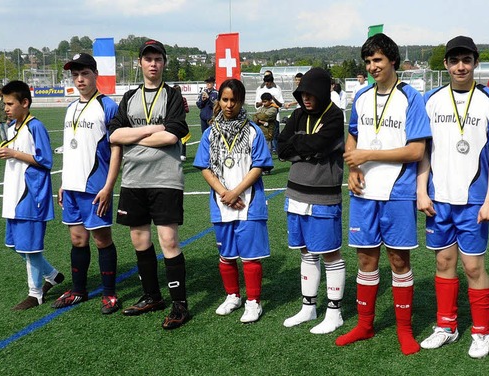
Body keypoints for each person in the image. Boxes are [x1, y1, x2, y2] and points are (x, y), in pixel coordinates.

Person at [335, 33, 431, 356]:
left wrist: (368, 156)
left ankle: (404, 330)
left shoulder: (411, 98)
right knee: (365, 258)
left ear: (393, 61)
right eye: (368, 61)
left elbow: (417, 150)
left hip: (398, 191)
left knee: (399, 260)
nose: (372, 66)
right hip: (364, 192)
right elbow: (352, 139)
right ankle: (365, 324)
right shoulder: (361, 97)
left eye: (378, 60)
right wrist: (353, 166)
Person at [416, 36, 489, 359]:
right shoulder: (431, 100)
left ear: (475, 62)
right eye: (454, 61)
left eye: (466, 60)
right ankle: (446, 326)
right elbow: (423, 152)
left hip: (474, 200)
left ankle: (482, 332)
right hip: (439, 198)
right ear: (446, 65)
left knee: (472, 266)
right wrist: (422, 190)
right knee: (443, 261)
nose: (460, 66)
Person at [108, 39, 191, 330]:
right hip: (133, 180)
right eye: (148, 59)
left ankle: (180, 305)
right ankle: (152, 296)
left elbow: (173, 136)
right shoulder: (129, 96)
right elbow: (114, 135)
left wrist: (134, 135)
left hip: (165, 179)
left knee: (168, 240)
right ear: (140, 63)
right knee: (140, 241)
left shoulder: (173, 94)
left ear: (164, 63)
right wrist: (154, 128)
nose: (153, 64)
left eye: (158, 59)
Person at [193, 78, 273, 323]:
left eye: (234, 100)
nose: (229, 105)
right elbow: (205, 167)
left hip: (249, 203)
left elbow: (259, 165)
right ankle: (232, 296)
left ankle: (253, 302)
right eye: (225, 100)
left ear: (241, 101)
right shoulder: (210, 133)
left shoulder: (253, 131)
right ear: (219, 100)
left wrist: (236, 191)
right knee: (227, 255)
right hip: (222, 204)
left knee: (250, 256)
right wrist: (223, 193)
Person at [49, 53, 121, 314]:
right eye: (75, 75)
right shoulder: (70, 109)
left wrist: (109, 186)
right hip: (71, 186)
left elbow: (116, 150)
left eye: (85, 74)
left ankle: (110, 294)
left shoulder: (108, 106)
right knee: (78, 240)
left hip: (96, 188)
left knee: (102, 240)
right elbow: (70, 150)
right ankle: (79, 291)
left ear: (95, 75)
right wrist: (63, 182)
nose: (80, 79)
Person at [277, 67, 346, 334]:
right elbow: (282, 148)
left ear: (322, 90)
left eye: (310, 93)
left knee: (329, 252)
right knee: (306, 251)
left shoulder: (334, 115)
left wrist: (300, 145)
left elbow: (319, 144)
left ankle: (334, 312)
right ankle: (309, 307)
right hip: (295, 193)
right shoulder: (296, 114)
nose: (306, 98)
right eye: (302, 93)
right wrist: (303, 146)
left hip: (323, 194)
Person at [0, 80, 64, 310]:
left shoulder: (36, 126)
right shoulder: (13, 127)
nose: (6, 108)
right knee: (14, 244)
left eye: (10, 103)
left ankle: (35, 294)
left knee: (30, 247)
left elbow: (46, 161)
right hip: (13, 196)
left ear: (25, 103)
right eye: (4, 104)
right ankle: (52, 275)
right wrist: (5, 152)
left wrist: (13, 152)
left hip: (30, 196)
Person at [255, 72, 284, 153]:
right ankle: (265, 152)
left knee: (274, 137)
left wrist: (273, 99)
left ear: (271, 82)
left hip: (273, 118)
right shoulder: (260, 90)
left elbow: (280, 104)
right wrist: (264, 102)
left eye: (268, 82)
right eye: (265, 82)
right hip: (262, 115)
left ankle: (278, 153)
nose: (266, 83)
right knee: (262, 137)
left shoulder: (276, 90)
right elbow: (257, 105)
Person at [174, 84, 191, 161]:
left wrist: (181, 109)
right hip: (173, 122)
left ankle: (183, 154)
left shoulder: (183, 99)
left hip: (181, 121)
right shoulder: (170, 100)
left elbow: (187, 109)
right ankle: (175, 154)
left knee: (183, 138)